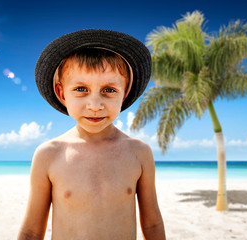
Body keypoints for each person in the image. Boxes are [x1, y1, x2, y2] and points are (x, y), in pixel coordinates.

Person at [17, 29, 165, 240]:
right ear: (62, 94)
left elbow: (152, 224)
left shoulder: (139, 153)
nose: (95, 106)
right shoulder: (48, 155)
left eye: (109, 90)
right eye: (81, 89)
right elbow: (31, 232)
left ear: (125, 93)